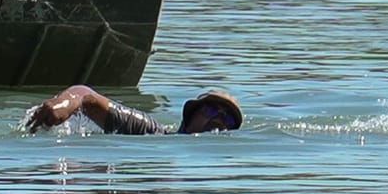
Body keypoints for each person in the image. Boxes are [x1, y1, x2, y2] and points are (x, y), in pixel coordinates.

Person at [22, 86, 243, 135]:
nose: (220, 121)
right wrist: (66, 102)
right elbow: (86, 96)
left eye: (229, 120)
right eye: (213, 110)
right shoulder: (151, 131)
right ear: (191, 115)